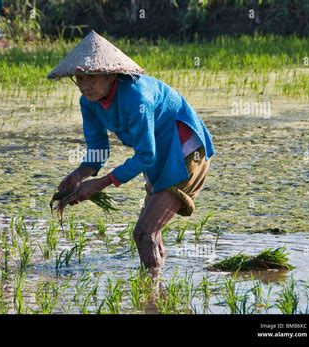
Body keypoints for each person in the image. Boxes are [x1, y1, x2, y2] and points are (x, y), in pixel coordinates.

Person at [47, 30, 215, 274]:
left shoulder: (136, 98)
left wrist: (100, 183)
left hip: (185, 154)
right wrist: (79, 175)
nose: (85, 85)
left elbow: (146, 155)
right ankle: (156, 293)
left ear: (111, 73)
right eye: (80, 78)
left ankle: (151, 298)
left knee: (145, 233)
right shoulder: (89, 103)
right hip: (158, 158)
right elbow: (97, 149)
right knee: (150, 237)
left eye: (92, 76)